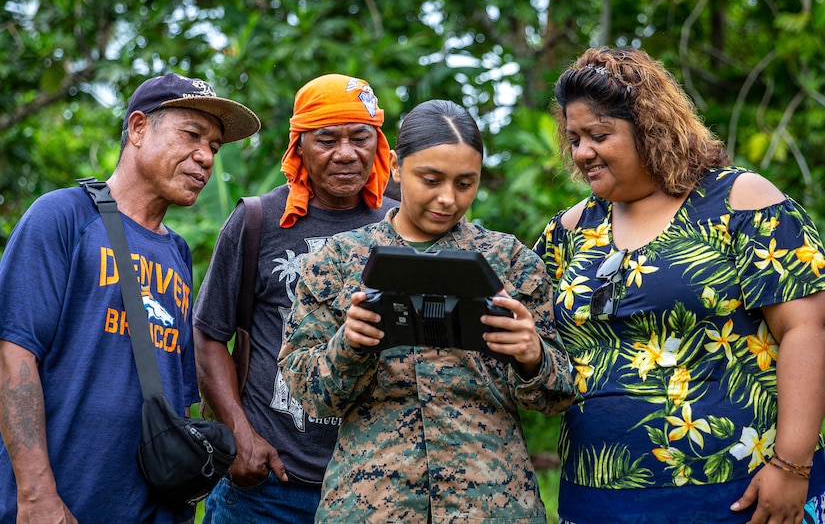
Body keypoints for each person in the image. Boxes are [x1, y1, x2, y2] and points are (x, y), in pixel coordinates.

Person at [532, 46, 825, 523]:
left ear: (650, 129)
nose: (582, 152)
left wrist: (792, 465)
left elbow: (807, 329)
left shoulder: (739, 201)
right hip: (595, 497)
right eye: (575, 138)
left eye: (599, 135)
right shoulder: (568, 231)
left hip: (740, 490)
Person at [278, 99, 577, 523]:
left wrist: (533, 356)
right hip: (371, 504)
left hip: (492, 503)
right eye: (431, 179)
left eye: (465, 183)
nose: (447, 199)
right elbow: (308, 395)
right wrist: (348, 345)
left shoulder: (510, 260)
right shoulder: (339, 260)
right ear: (397, 167)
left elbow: (559, 394)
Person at [0, 72, 261, 523]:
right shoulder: (63, 217)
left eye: (215, 148)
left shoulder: (178, 252)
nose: (205, 157)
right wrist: (36, 493)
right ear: (139, 129)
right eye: (192, 135)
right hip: (61, 504)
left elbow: (181, 399)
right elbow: (13, 353)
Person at [193, 73, 398, 523]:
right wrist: (241, 435)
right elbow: (208, 335)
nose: (346, 154)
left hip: (375, 489)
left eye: (360, 137)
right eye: (326, 139)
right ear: (298, 147)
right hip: (267, 490)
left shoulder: (403, 223)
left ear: (379, 144)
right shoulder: (258, 220)